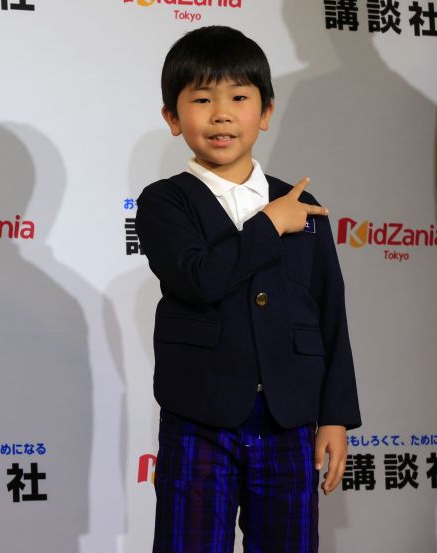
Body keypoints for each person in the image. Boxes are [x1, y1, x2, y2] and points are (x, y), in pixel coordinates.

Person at [135, 26, 360, 553]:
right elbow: (198, 278)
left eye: (239, 98)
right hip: (199, 415)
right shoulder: (165, 202)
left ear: (265, 113)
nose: (221, 114)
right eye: (202, 100)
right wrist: (269, 225)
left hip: (289, 418)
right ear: (172, 118)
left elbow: (329, 311)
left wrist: (334, 415)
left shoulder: (301, 205)